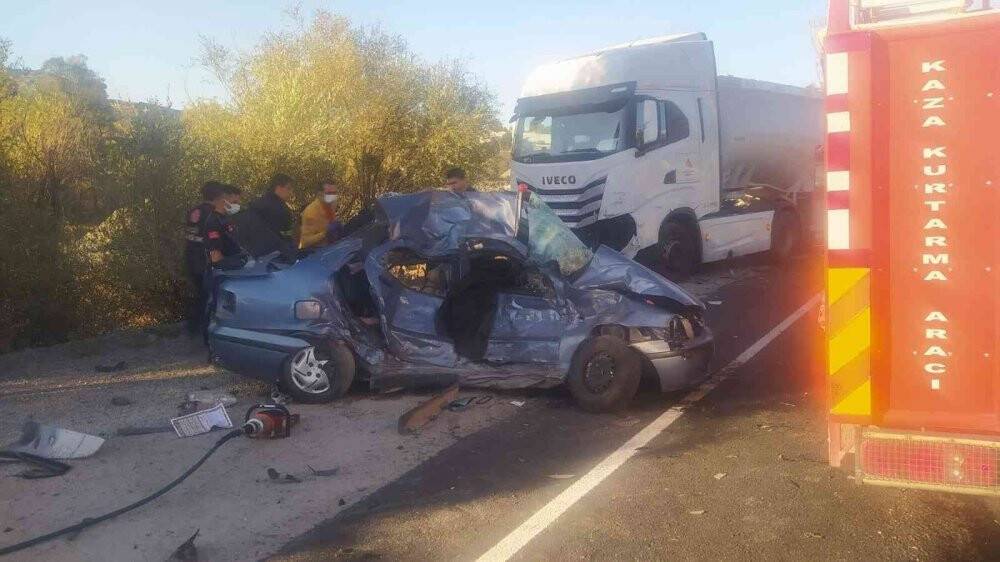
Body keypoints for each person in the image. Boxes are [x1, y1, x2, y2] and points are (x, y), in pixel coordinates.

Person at [299, 179, 341, 250]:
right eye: (329, 193)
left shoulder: (330, 204)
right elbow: (305, 242)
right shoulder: (310, 212)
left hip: (332, 247)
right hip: (315, 253)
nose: (332, 196)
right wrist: (325, 234)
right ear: (319, 194)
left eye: (334, 193)